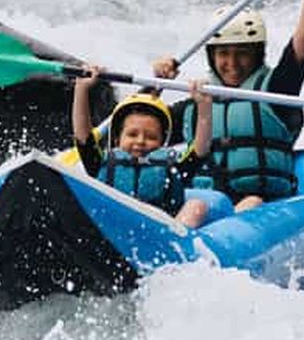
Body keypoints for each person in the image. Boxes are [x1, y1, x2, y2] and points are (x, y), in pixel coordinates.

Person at [152, 0, 304, 212]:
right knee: (194, 208)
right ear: (212, 56)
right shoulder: (197, 104)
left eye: (242, 54)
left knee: (251, 202)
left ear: (257, 55)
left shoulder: (277, 92)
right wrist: (156, 84)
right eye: (224, 54)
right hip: (204, 205)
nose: (232, 63)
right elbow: (136, 129)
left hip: (260, 206)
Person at [71, 67, 213, 228]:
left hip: (160, 235)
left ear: (162, 142)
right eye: (132, 134)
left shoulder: (173, 169)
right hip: (111, 232)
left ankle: (171, 244)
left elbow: (200, 150)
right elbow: (83, 137)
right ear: (118, 139)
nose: (140, 141)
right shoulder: (100, 164)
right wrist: (81, 89)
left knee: (196, 205)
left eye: (151, 137)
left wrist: (204, 106)